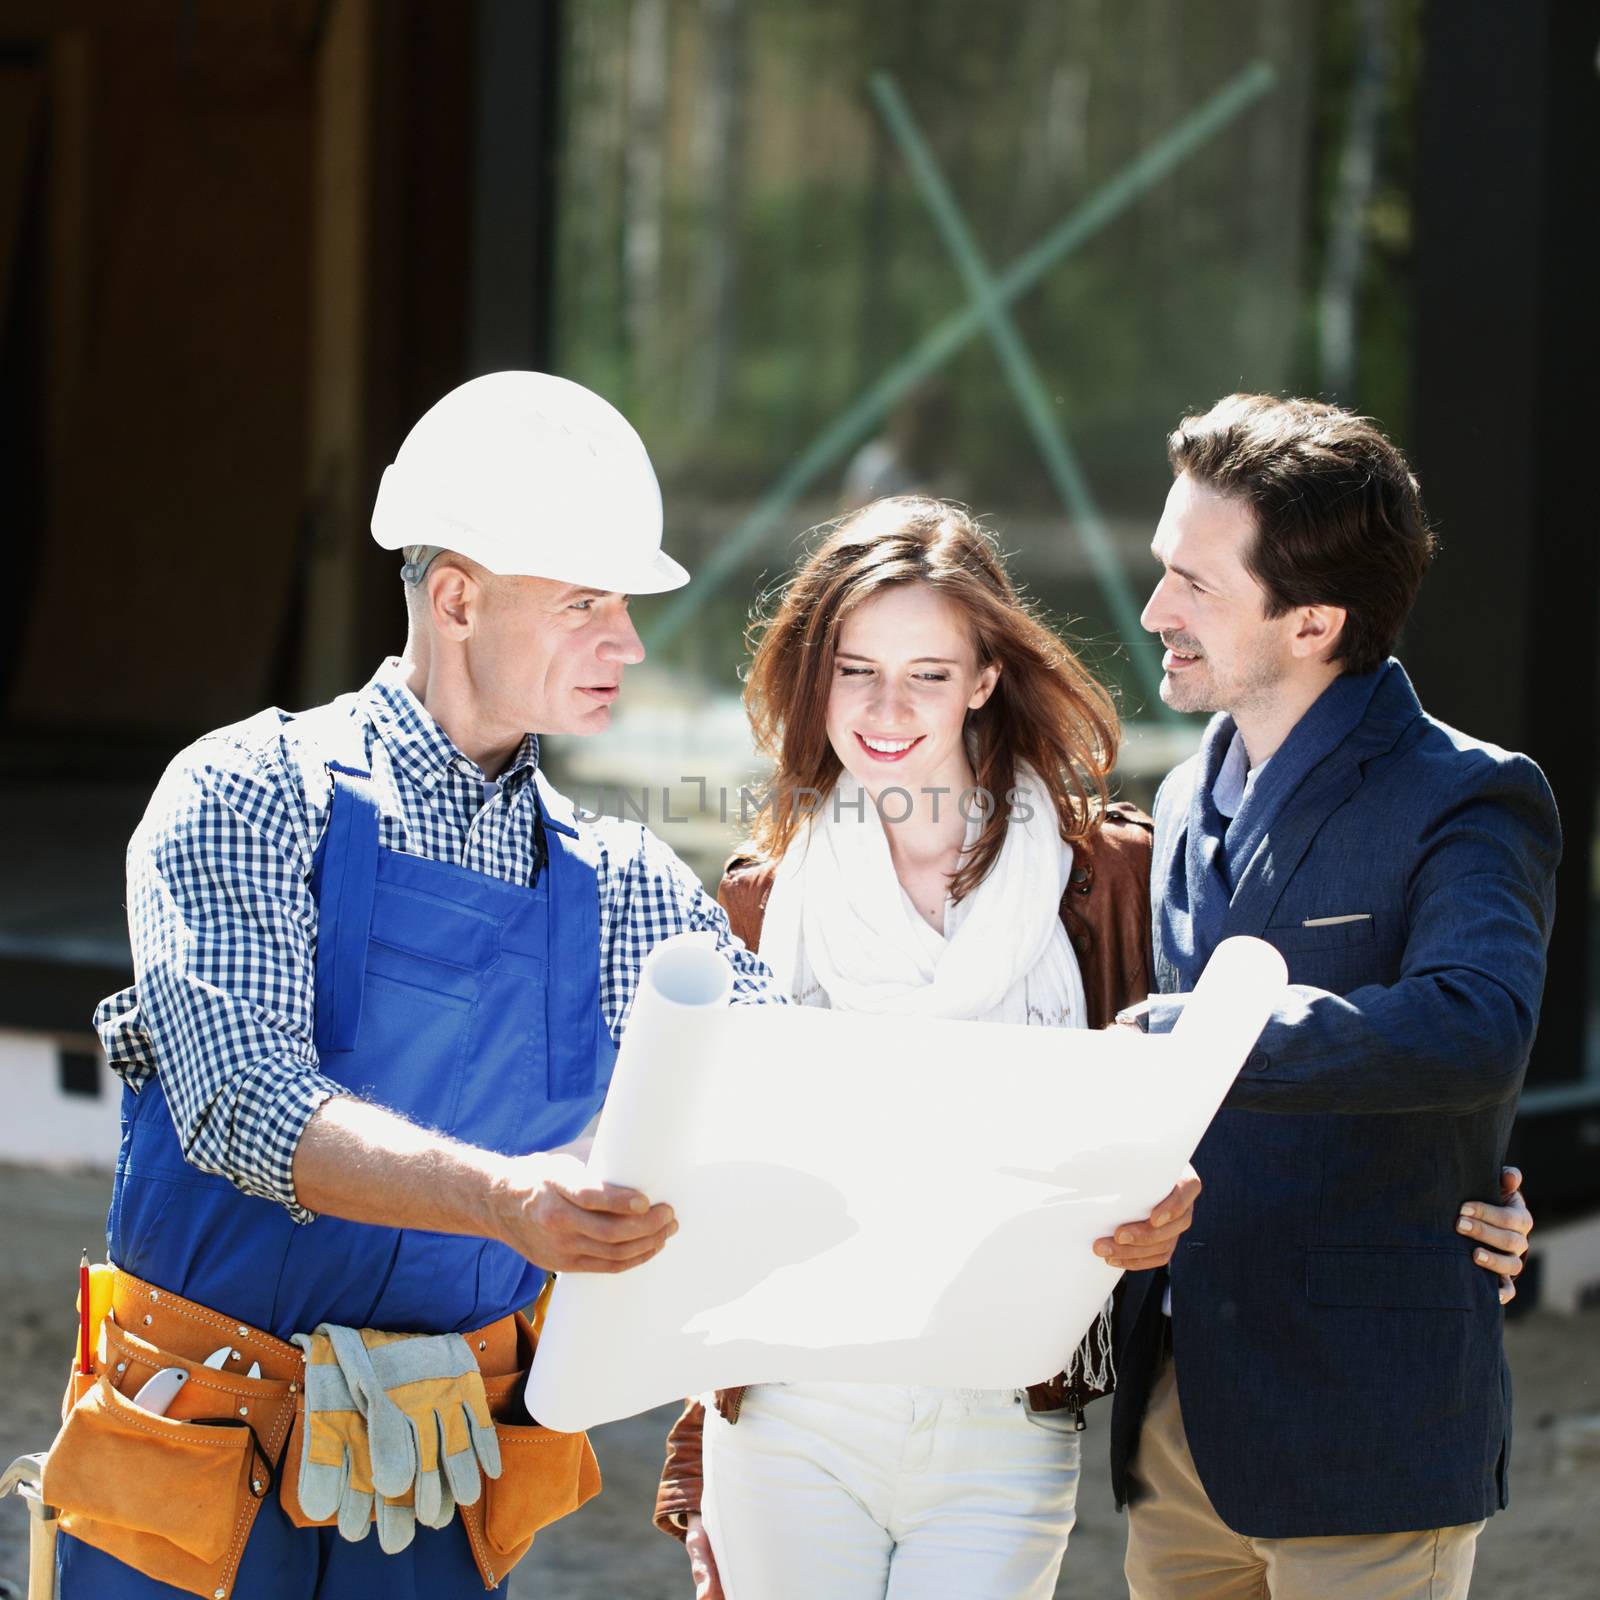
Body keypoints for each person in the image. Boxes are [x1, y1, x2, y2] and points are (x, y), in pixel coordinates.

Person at [649, 497, 1523, 1600]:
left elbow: (1218, 1091)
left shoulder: (1107, 879)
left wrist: (1464, 1185)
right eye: (854, 668)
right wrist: (698, 1461)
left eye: (927, 671)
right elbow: (721, 1187)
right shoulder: (761, 896)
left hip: (1006, 1412)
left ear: (982, 680)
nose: (883, 708)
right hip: (788, 1412)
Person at [57, 372, 781, 1600]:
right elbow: (244, 1101)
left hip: (430, 1494)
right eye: (587, 602)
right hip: (194, 1483)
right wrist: (505, 1197)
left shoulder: (623, 884)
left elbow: (793, 1082)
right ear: (455, 597)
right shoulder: (243, 795)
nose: (630, 642)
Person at [1111, 394, 1556, 1600]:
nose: (1155, 610)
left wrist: (1202, 1044)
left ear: (1312, 620)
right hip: (1175, 1420)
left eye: (1193, 585)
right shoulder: (1177, 794)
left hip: (1368, 1426)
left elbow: (1476, 1021)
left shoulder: (1469, 795)